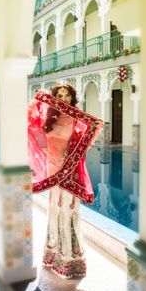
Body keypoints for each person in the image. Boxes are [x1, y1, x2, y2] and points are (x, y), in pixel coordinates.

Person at [28, 81, 103, 279]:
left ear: (72, 97)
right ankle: (54, 256)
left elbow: (97, 126)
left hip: (70, 170)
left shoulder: (78, 119)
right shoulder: (49, 118)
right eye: (59, 96)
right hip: (54, 171)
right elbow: (29, 124)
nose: (63, 99)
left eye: (66, 95)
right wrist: (37, 99)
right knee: (56, 211)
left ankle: (71, 260)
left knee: (69, 212)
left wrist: (79, 151)